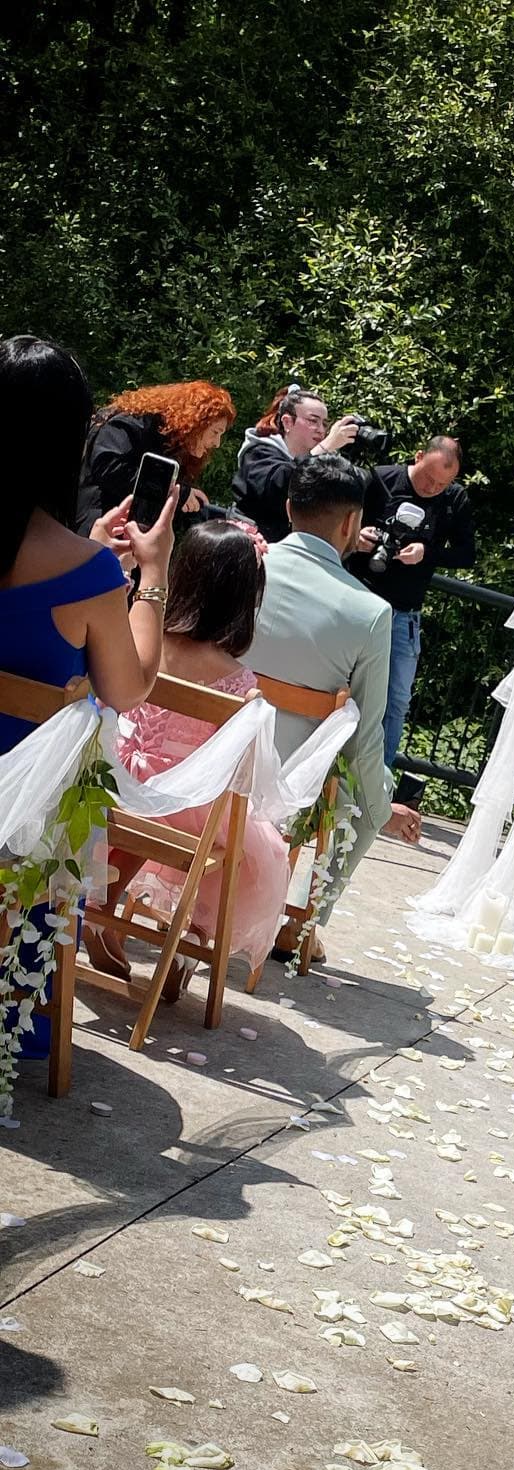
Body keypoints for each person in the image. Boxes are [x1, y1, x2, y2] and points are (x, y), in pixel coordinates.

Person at [0, 333, 177, 1055]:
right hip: (18, 835)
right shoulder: (87, 575)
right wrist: (151, 576)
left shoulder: (81, 561)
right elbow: (130, 689)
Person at [89, 522, 291, 994]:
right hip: (185, 811)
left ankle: (102, 905)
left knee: (141, 812)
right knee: (244, 847)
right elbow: (241, 772)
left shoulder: (143, 642)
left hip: (117, 786)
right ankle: (189, 942)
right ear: (245, 600)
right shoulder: (239, 683)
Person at [243, 452, 420, 959]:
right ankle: (298, 925)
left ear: (288, 506)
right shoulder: (370, 611)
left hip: (205, 762)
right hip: (285, 786)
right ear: (351, 523)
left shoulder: (241, 562)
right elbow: (366, 737)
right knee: (370, 797)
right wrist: (381, 805)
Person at [347, 436, 476, 768]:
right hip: (358, 600)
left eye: (441, 484)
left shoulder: (454, 499)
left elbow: (466, 554)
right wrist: (355, 538)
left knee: (396, 701)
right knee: (344, 688)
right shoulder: (379, 479)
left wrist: (427, 553)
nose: (432, 488)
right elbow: (337, 523)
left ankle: (378, 781)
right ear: (417, 456)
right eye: (427, 478)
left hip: (404, 612)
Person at [75, 380, 235, 536]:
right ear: (197, 422)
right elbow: (107, 467)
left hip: (126, 536)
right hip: (94, 530)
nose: (217, 443)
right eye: (215, 432)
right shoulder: (133, 423)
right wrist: (174, 491)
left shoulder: (172, 445)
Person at [231, 385, 361, 544]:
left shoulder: (323, 461)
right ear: (287, 422)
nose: (321, 430)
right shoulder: (258, 453)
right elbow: (279, 486)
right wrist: (325, 446)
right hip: (253, 552)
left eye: (324, 423)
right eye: (313, 421)